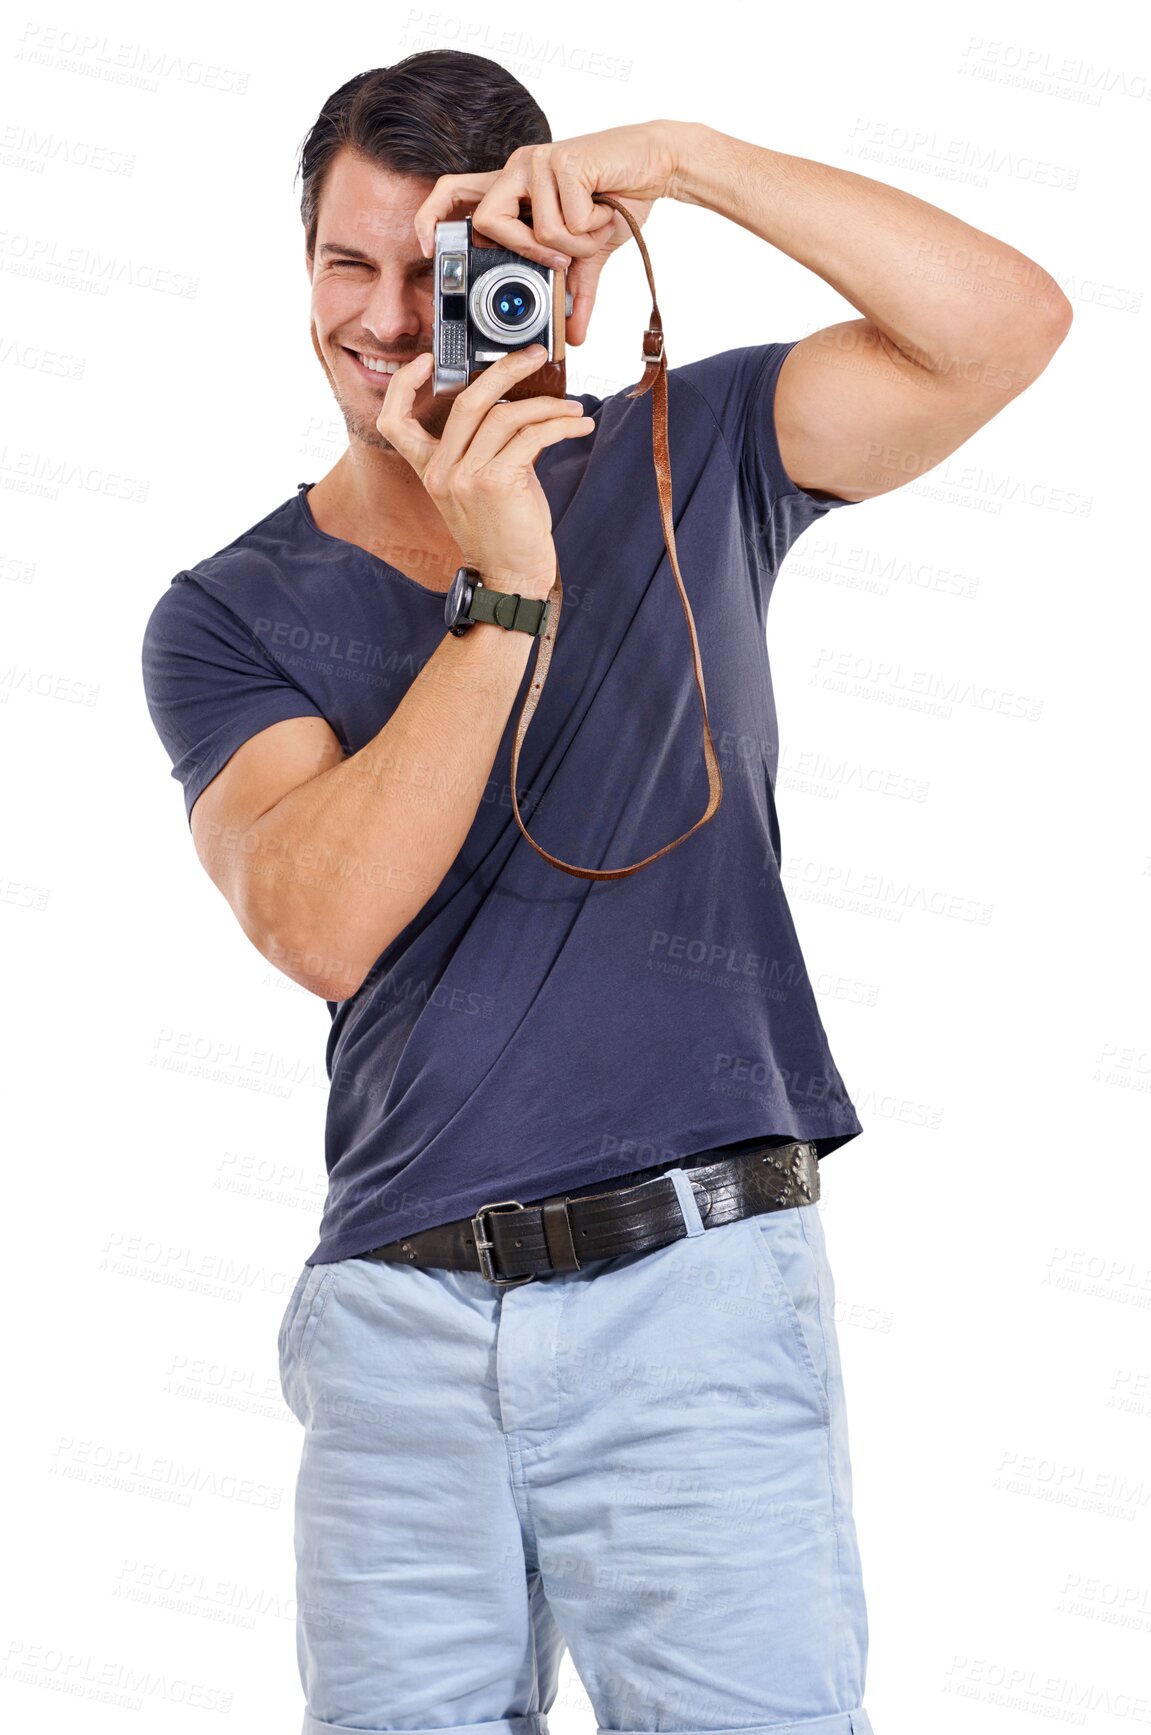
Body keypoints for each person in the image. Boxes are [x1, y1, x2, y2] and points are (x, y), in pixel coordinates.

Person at [140, 50, 1071, 1735]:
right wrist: (502, 591)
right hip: (399, 1328)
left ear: (553, 280)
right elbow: (314, 919)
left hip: (695, 1298)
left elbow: (1002, 327)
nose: (386, 318)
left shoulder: (691, 448)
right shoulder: (229, 612)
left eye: (447, 270)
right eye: (348, 264)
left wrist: (688, 161)